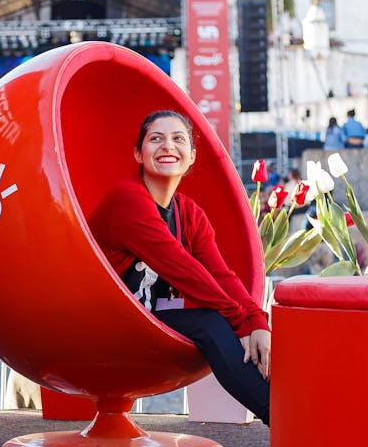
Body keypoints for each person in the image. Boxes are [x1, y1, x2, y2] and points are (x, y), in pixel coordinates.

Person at [88, 109, 270, 425]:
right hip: (101, 324)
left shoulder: (189, 213)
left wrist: (257, 322)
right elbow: (181, 268)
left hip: (147, 319)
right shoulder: (128, 200)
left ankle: (296, 419)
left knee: (224, 323)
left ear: (191, 156)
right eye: (155, 139)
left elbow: (219, 274)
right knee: (212, 322)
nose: (168, 147)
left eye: (178, 139)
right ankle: (285, 420)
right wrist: (240, 321)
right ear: (138, 153)